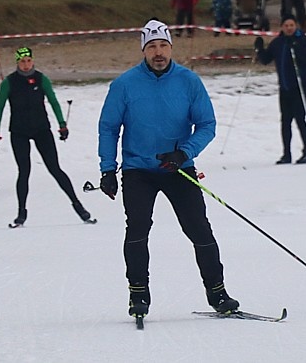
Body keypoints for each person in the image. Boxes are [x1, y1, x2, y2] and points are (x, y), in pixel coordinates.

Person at [97, 18, 239, 320]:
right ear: (144, 50)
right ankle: (138, 294)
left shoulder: (189, 81)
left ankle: (218, 292)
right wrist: (108, 169)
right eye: (151, 47)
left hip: (178, 167)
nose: (158, 52)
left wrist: (183, 152)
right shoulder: (124, 84)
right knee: (137, 228)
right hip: (138, 169)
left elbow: (207, 124)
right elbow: (109, 128)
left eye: (163, 45)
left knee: (199, 228)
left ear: (171, 47)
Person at [0, 47, 92, 227]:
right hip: (19, 131)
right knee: (24, 171)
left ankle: (79, 208)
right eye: (22, 61)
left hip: (41, 129)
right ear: (17, 63)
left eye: (29, 60)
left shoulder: (40, 78)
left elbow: (53, 101)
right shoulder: (10, 82)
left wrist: (62, 124)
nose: (26, 64)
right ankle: (21, 214)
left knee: (55, 169)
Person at [254, 14, 306, 164]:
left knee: (300, 119)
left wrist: (296, 46)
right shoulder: (278, 43)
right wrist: (259, 49)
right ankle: (286, 154)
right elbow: (266, 59)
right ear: (282, 27)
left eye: (291, 25)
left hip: (300, 87)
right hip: (285, 87)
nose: (289, 28)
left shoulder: (302, 40)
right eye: (286, 26)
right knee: (285, 121)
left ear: (296, 26)